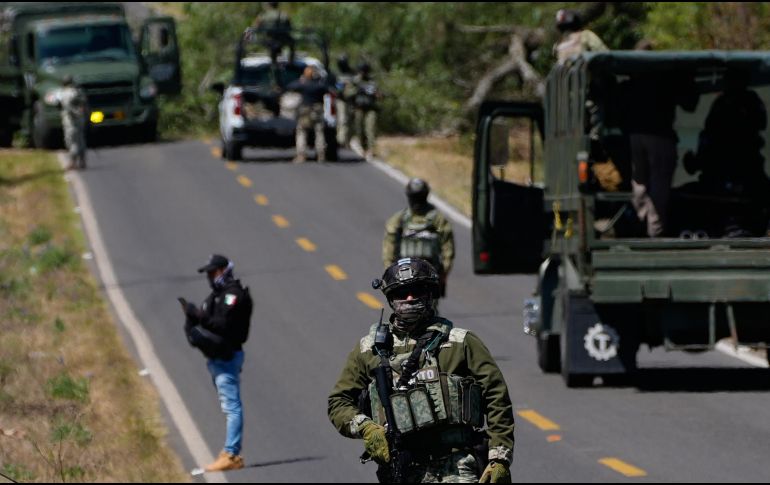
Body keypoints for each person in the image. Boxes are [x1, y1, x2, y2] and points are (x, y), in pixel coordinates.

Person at [328, 258, 515, 483]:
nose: (410, 298)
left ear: (430, 293)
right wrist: (367, 428)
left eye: (416, 290)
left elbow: (497, 397)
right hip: (404, 467)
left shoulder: (460, 343)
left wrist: (499, 458)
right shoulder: (369, 350)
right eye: (402, 292)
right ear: (390, 298)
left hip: (458, 464)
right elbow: (339, 402)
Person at [180, 254, 253, 472]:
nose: (211, 277)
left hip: (227, 356)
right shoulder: (217, 295)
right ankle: (230, 452)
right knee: (228, 405)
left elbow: (222, 325)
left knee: (232, 407)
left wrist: (198, 316)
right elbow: (207, 319)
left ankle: (231, 454)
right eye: (208, 273)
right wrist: (192, 317)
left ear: (223, 270)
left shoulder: (233, 294)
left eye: (213, 272)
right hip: (217, 357)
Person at [623, 71, 699, 237]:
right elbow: (689, 104)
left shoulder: (634, 76)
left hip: (636, 134)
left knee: (640, 183)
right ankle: (654, 230)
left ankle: (641, 222)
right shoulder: (664, 74)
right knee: (659, 184)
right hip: (659, 134)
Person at [383, 178, 454, 298]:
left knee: (428, 310)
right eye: (414, 197)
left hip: (429, 276)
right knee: (403, 309)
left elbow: (448, 248)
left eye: (419, 197)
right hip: (403, 276)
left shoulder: (438, 220)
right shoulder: (399, 220)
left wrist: (443, 274)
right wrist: (391, 275)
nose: (417, 201)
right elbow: (388, 249)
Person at [286, 65, 329, 163]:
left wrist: (301, 80)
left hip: (305, 111)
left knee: (302, 132)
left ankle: (301, 155)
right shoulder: (319, 85)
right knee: (319, 132)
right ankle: (321, 155)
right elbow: (327, 90)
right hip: (317, 111)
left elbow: (290, 86)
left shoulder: (303, 84)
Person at [352, 62, 380, 161]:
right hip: (359, 108)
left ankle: (371, 149)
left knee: (370, 128)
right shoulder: (355, 81)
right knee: (359, 129)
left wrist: (376, 94)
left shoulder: (372, 81)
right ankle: (362, 147)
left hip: (370, 108)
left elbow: (378, 94)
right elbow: (348, 93)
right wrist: (357, 90)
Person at [58, 75, 88, 170]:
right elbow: (84, 103)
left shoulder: (65, 93)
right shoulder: (78, 91)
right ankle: (82, 161)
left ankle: (73, 161)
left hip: (70, 120)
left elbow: (66, 107)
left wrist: (73, 113)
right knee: (80, 139)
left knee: (71, 141)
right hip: (80, 119)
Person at [334, 54, 356, 149]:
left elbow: (356, 86)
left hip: (350, 100)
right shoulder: (337, 74)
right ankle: (340, 140)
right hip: (340, 100)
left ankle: (347, 140)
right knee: (342, 120)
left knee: (350, 120)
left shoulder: (352, 73)